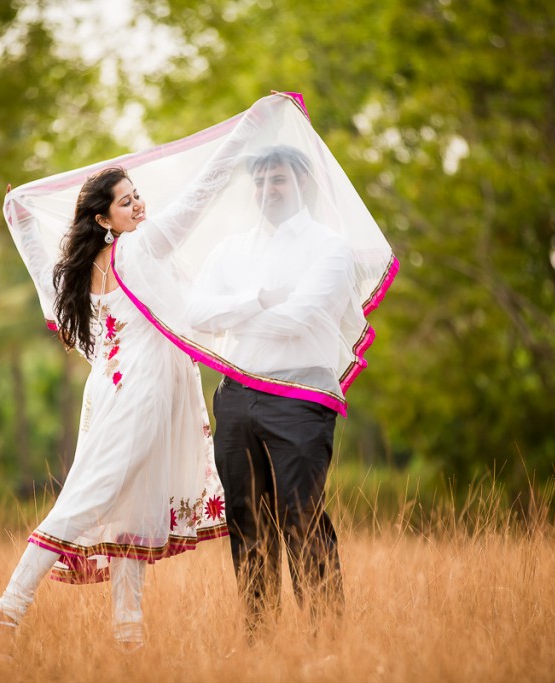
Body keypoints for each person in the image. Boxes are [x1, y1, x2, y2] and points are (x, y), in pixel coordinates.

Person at [0, 166, 229, 660]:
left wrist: (22, 224)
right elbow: (197, 197)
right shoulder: (137, 249)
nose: (139, 208)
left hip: (116, 394)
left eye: (138, 198)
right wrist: (244, 137)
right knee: (91, 499)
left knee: (130, 511)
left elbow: (39, 273)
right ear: (104, 218)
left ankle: (128, 639)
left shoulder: (79, 272)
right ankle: (7, 611)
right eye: (126, 204)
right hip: (137, 396)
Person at [187, 145, 358, 636]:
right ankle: (259, 638)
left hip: (300, 397)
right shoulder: (231, 249)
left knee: (301, 516)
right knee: (246, 519)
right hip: (236, 396)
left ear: (302, 181)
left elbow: (300, 317)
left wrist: (236, 314)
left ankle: (326, 638)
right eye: (259, 181)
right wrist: (260, 299)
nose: (267, 190)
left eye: (277, 179)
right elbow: (197, 313)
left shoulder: (330, 247)